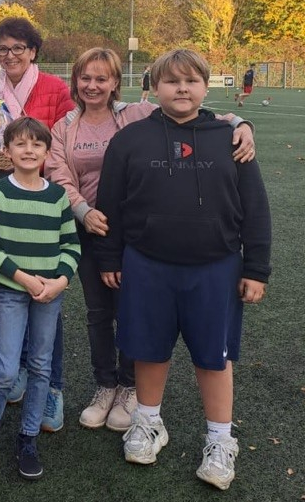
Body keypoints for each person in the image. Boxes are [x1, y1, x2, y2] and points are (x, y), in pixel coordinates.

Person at [46, 48, 256, 433]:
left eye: (102, 78)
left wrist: (243, 123)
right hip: (91, 229)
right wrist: (83, 212)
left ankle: (130, 388)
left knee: (134, 315)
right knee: (99, 314)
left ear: (115, 83)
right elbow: (58, 173)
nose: (93, 85)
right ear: (75, 81)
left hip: (136, 233)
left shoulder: (135, 115)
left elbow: (204, 115)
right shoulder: (65, 127)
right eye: (85, 78)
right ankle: (106, 386)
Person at [95, 49, 271, 491]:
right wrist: (110, 257)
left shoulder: (231, 137)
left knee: (214, 356)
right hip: (148, 265)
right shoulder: (130, 139)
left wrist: (257, 267)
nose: (182, 89)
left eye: (191, 81)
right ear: (154, 87)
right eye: (172, 82)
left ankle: (219, 440)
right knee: (149, 350)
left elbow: (255, 208)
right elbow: (110, 203)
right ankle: (149, 422)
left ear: (207, 86)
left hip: (216, 267)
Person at [0, 17, 76, 434]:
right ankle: (14, 372)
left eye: (18, 48)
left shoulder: (53, 88)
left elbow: (66, 136)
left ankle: (51, 387)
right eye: (2, 50)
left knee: (47, 299)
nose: (10, 56)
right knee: (12, 289)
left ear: (33, 50)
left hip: (44, 202)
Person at [0, 117, 80, 482]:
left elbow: (71, 246)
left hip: (50, 296)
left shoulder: (57, 195)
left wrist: (59, 282)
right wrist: (25, 279)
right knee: (6, 370)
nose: (29, 151)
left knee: (41, 367)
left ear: (46, 152)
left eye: (36, 145)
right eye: (21, 144)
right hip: (15, 292)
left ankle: (27, 438)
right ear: (7, 151)